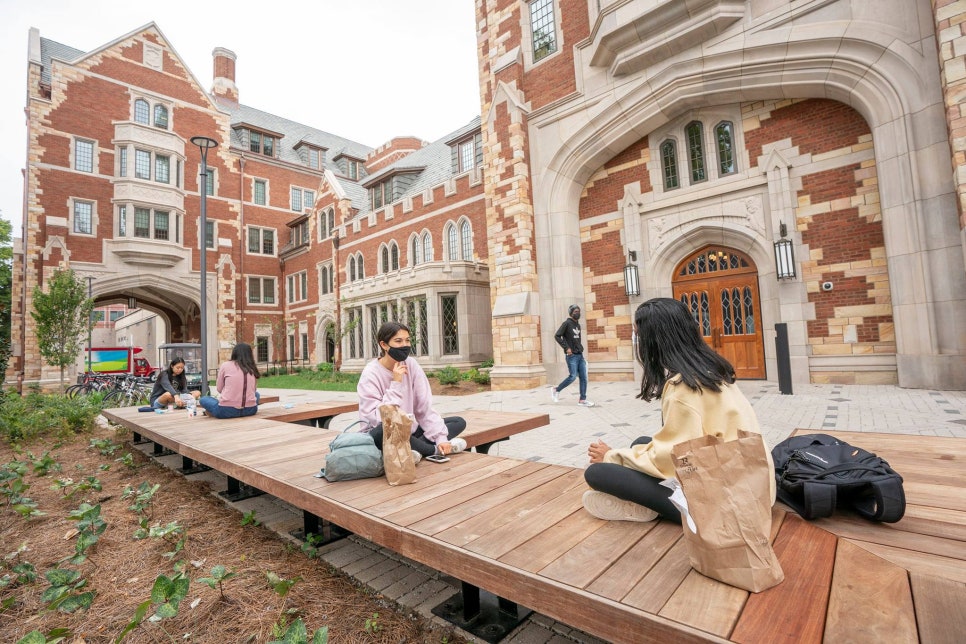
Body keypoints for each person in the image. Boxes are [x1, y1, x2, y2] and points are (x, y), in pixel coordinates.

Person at [582, 297, 775, 523]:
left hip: (728, 507)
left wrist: (610, 456)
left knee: (597, 472)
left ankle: (645, 505)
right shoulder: (710, 371)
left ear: (654, 341)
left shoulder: (684, 388)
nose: (637, 342)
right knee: (640, 443)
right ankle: (644, 503)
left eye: (638, 335)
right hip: (753, 487)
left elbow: (671, 459)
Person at [357, 321, 466, 461]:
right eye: (398, 341)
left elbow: (424, 407)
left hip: (409, 431)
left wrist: (441, 438)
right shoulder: (370, 373)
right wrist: (396, 383)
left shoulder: (411, 364)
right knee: (386, 429)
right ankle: (432, 451)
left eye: (407, 340)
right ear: (384, 345)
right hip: (380, 434)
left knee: (457, 422)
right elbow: (377, 419)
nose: (405, 345)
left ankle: (413, 450)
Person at [198, 342, 261, 419]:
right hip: (250, 410)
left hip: (226, 411)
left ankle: (213, 411)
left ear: (234, 352)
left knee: (204, 399)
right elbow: (253, 390)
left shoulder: (225, 365)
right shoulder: (252, 368)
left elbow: (219, 389)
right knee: (257, 394)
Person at [551, 304, 594, 407]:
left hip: (580, 355)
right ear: (571, 313)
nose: (577, 313)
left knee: (583, 378)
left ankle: (582, 400)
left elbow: (577, 340)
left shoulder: (578, 325)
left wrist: (580, 349)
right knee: (573, 376)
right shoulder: (566, 323)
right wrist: (566, 348)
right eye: (575, 312)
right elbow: (557, 336)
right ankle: (556, 390)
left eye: (578, 311)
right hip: (572, 356)